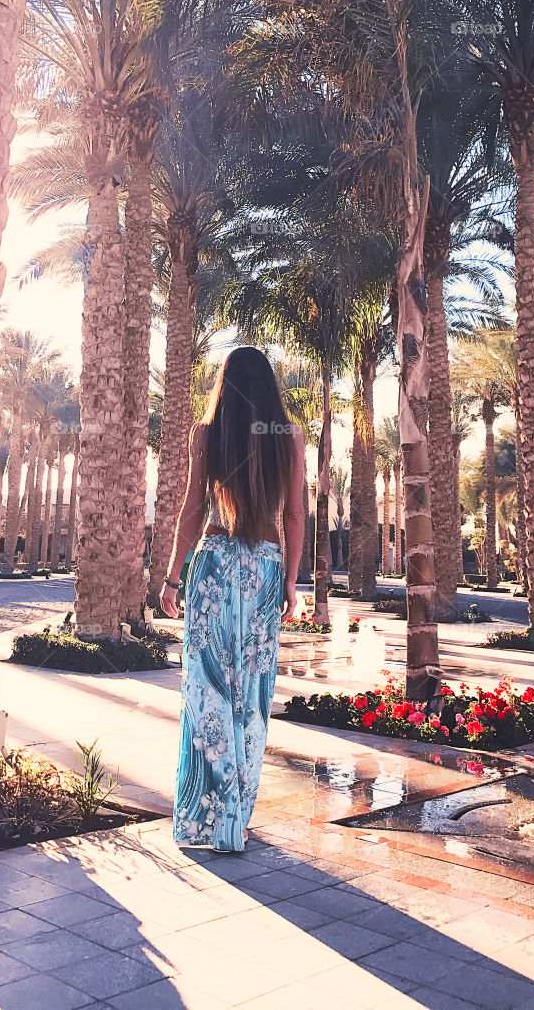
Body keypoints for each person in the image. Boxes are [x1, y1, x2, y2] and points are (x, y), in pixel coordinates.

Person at [160, 346, 304, 852]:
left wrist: (173, 578)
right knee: (252, 699)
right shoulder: (288, 437)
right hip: (264, 568)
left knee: (208, 693)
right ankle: (234, 821)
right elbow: (293, 519)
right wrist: (289, 581)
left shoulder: (207, 433)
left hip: (216, 568)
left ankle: (207, 819)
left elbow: (193, 509)